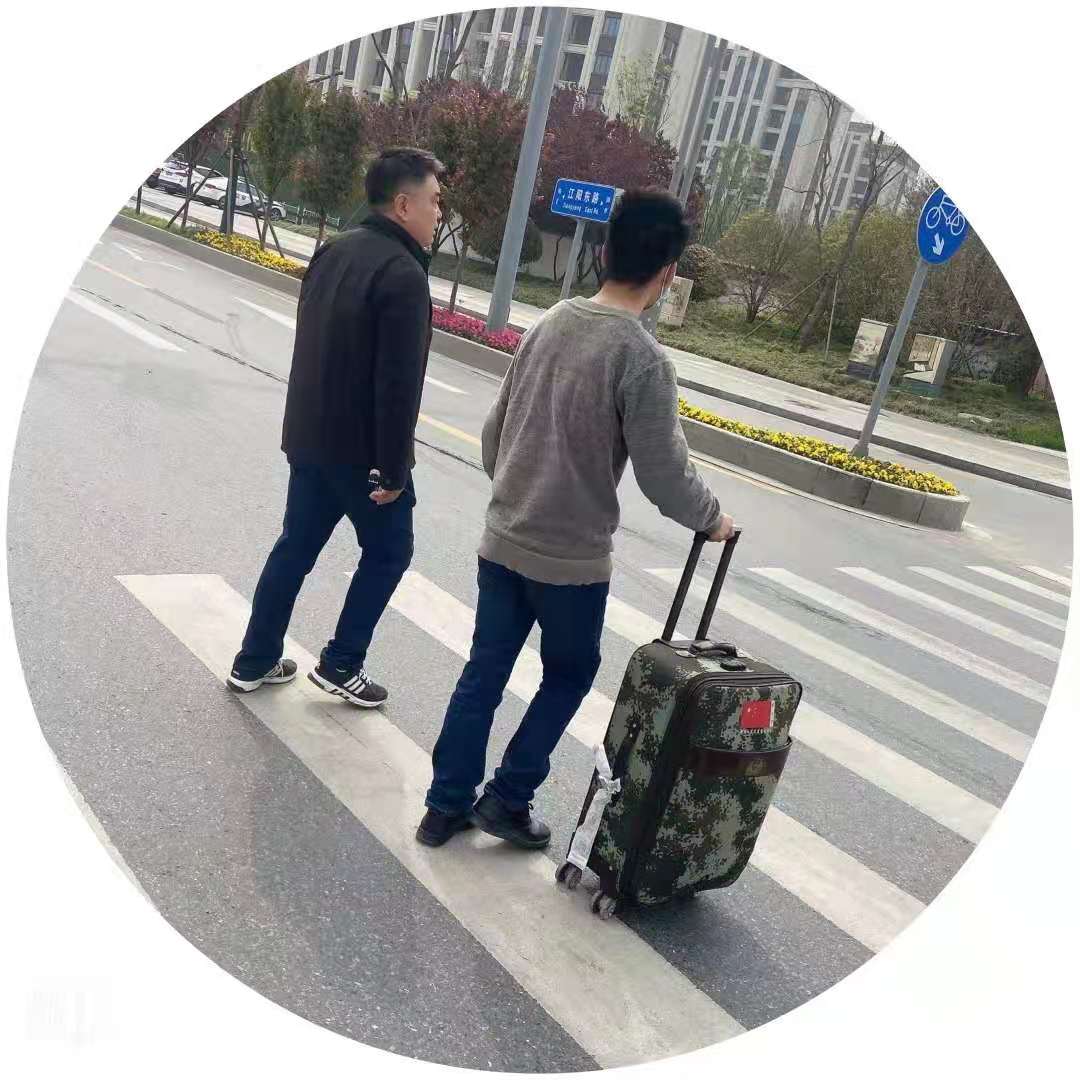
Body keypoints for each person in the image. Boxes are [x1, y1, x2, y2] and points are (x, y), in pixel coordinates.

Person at [418, 189, 736, 849]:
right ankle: (508, 798)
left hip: (503, 539)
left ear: (605, 251)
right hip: (570, 562)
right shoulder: (643, 359)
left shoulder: (551, 321)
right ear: (668, 272)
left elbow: (494, 432)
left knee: (484, 671)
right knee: (568, 674)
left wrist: (516, 492)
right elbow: (663, 474)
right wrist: (712, 521)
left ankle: (444, 805)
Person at [227, 147, 444, 708]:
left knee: (295, 547)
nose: (438, 212)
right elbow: (397, 385)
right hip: (363, 455)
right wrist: (392, 469)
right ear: (403, 205)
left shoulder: (334, 250)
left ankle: (254, 659)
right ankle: (342, 662)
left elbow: (312, 345)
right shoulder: (402, 274)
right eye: (434, 200)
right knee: (390, 553)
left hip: (310, 438)